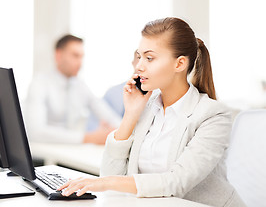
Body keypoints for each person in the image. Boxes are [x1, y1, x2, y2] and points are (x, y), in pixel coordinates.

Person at [58, 18, 246, 207]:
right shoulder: (147, 107)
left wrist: (103, 183)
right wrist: (130, 114)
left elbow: (176, 182)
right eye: (139, 57)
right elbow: (110, 175)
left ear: (179, 64)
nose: (139, 66)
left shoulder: (214, 115)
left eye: (149, 58)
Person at [25, 35, 121, 145]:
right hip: (43, 155)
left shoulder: (81, 86)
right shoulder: (39, 84)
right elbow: (36, 132)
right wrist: (89, 138)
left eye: (81, 57)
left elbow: (108, 116)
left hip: (71, 152)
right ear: (58, 55)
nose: (80, 62)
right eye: (75, 56)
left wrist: (125, 132)